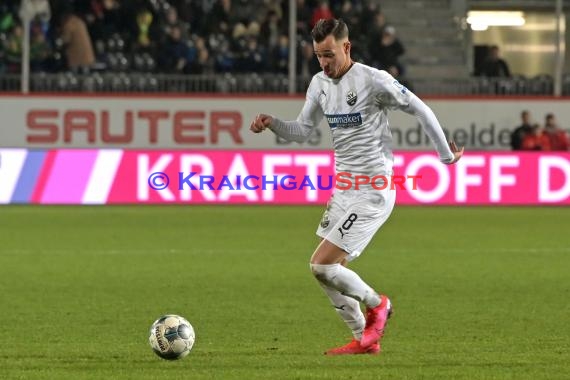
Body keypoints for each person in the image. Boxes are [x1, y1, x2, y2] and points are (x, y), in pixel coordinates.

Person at [249, 18, 463, 355]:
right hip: (344, 188)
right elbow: (303, 130)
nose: (324, 63)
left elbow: (419, 108)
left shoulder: (373, 80)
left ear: (346, 47)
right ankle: (364, 338)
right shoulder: (319, 83)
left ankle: (379, 304)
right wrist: (273, 123)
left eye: (329, 54)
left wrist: (445, 155)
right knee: (323, 271)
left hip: (374, 189)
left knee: (323, 264)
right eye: (319, 56)